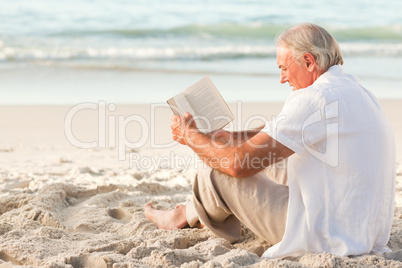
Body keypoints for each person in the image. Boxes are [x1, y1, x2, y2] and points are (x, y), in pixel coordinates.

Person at [144, 23, 396, 259]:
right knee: (263, 155)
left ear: (308, 61)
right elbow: (279, 131)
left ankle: (182, 216)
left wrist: (191, 136)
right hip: (366, 231)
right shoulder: (358, 90)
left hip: (326, 237)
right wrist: (232, 137)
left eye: (284, 69)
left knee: (216, 171)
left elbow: (238, 164)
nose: (282, 79)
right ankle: (191, 212)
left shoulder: (314, 98)